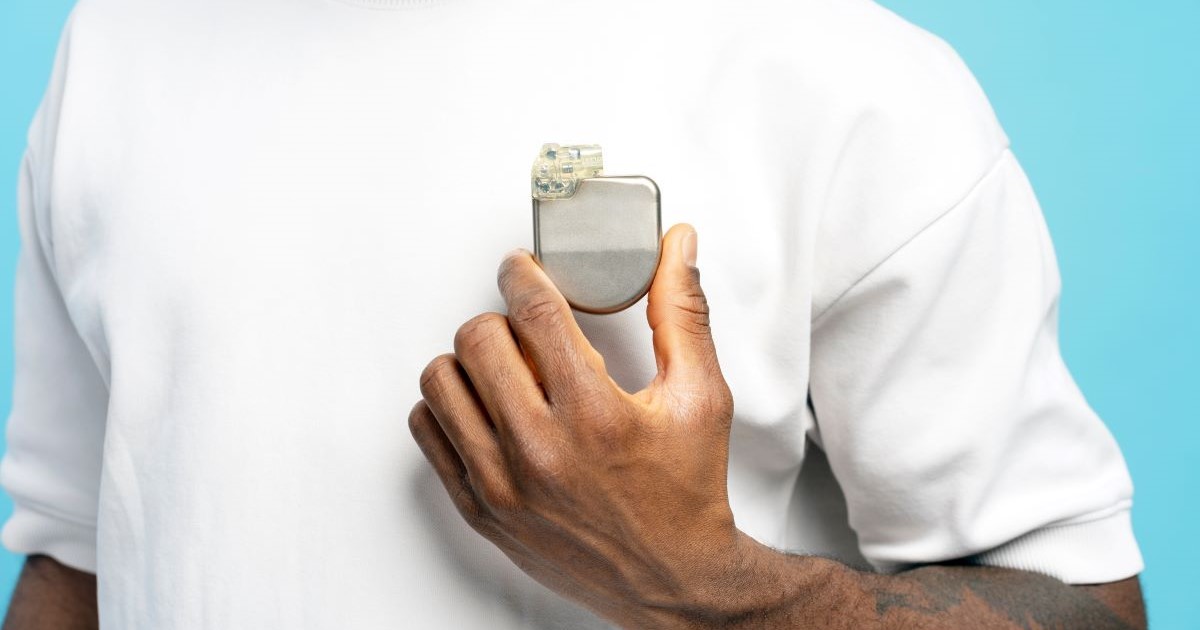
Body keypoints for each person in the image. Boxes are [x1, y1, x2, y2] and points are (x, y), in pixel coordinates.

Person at [0, 0, 1146, 627]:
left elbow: (1096, 616)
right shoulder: (117, 42)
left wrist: (708, 586)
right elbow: (80, 571)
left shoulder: (842, 75)